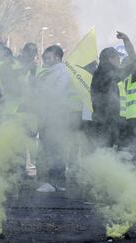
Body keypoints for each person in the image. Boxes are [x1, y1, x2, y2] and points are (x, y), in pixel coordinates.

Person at [35, 45, 82, 192]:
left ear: (57, 57)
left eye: (48, 58)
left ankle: (53, 181)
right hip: (47, 115)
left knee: (53, 148)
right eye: (44, 58)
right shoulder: (47, 73)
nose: (45, 61)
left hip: (56, 116)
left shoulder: (63, 72)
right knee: (53, 148)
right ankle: (57, 181)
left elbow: (56, 93)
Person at [91, 32, 136, 147]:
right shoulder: (105, 69)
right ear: (111, 58)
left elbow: (132, 62)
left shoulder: (102, 71)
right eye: (118, 58)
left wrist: (126, 41)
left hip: (108, 120)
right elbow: (124, 72)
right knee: (105, 150)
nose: (119, 62)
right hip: (105, 121)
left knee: (108, 150)